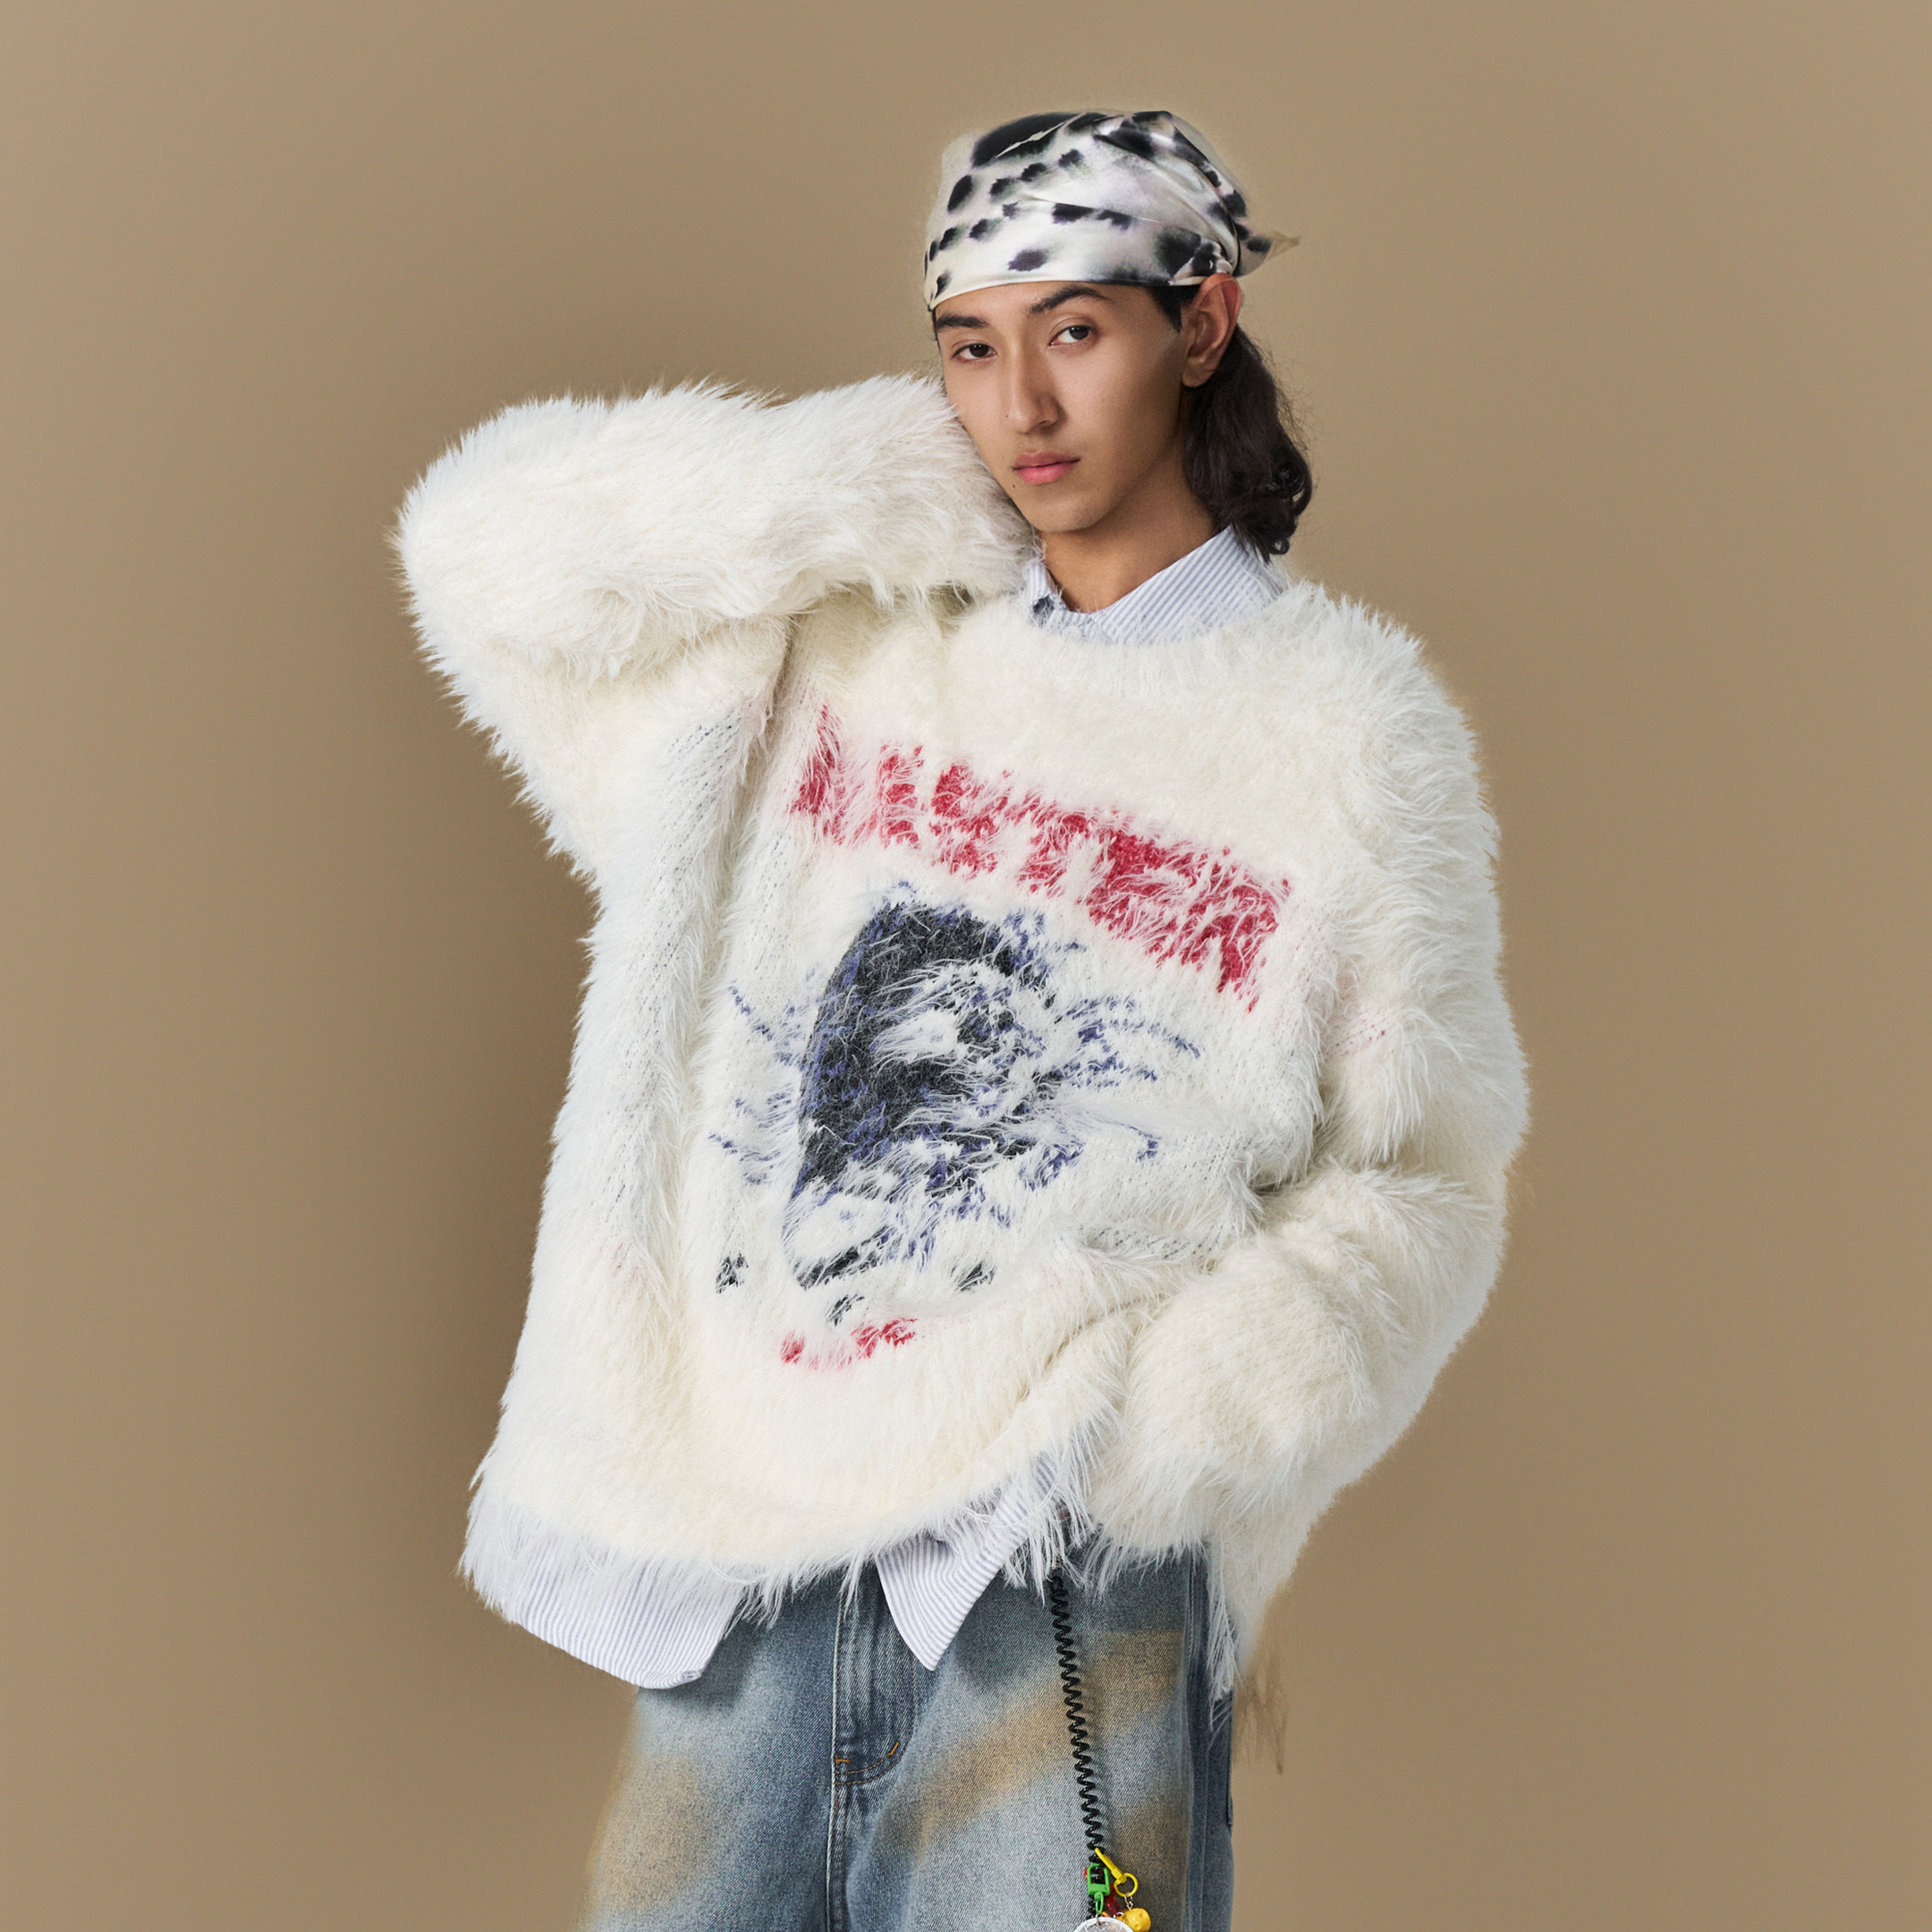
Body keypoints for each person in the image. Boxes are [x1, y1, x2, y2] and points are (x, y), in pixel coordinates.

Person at [397, 108, 1526, 1932]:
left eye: (1073, 330)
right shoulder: (843, 642)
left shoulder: (1349, 729)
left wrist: (1159, 1430)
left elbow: (1426, 1179)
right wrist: (856, 481)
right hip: (747, 1564)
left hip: (1057, 1571)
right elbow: (480, 554)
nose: (1022, 407)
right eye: (969, 348)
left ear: (1201, 324)